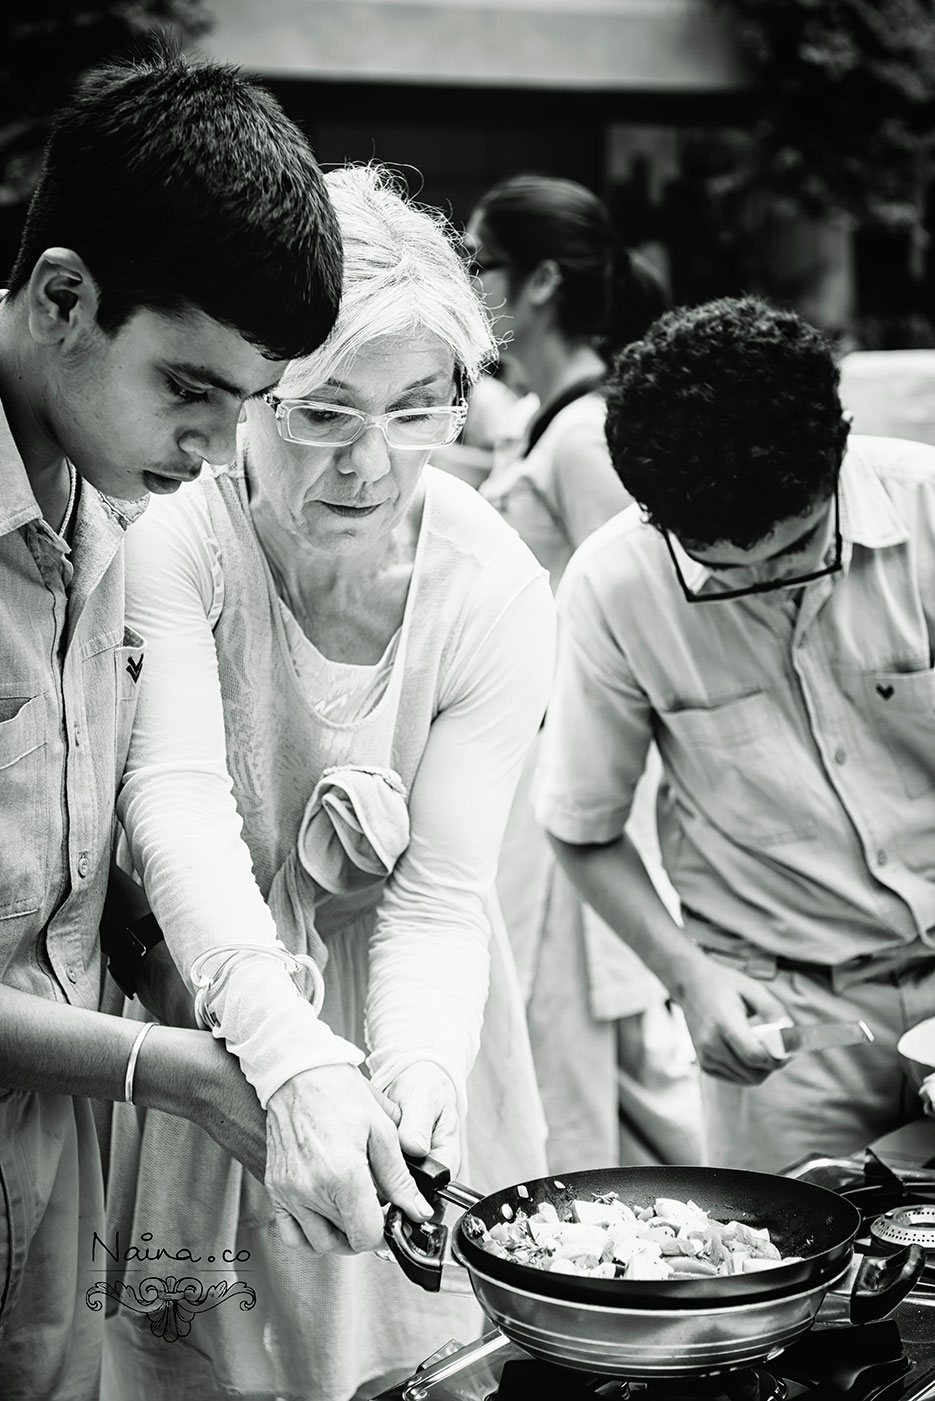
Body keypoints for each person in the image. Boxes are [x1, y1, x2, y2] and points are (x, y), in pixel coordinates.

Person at [103, 164, 555, 1401]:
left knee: (433, 1362)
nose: (370, 463)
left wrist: (410, 1076)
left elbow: (437, 897)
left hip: (430, 1009)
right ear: (254, 392)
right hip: (221, 1001)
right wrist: (296, 1062)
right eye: (322, 412)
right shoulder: (176, 542)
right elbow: (178, 805)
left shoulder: (493, 590)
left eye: (418, 409)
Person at [0, 44, 363, 1401]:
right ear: (63, 297)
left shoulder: (103, 497)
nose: (214, 450)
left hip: (48, 1192)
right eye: (189, 390)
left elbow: (101, 839)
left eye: (246, 408)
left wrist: (226, 995)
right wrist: (174, 1070)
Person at [535, 294, 935, 1173]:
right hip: (784, 1018)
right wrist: (689, 977)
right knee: (800, 1290)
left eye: (795, 550)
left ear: (835, 454)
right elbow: (581, 827)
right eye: (721, 567)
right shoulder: (612, 587)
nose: (764, 583)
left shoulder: (929, 509)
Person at [463, 172, 700, 1171]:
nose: (465, 279)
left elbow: (648, 624)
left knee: (574, 1068)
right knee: (585, 1069)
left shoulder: (587, 430)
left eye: (479, 262)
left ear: (542, 280)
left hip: (574, 780)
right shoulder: (545, 417)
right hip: (534, 776)